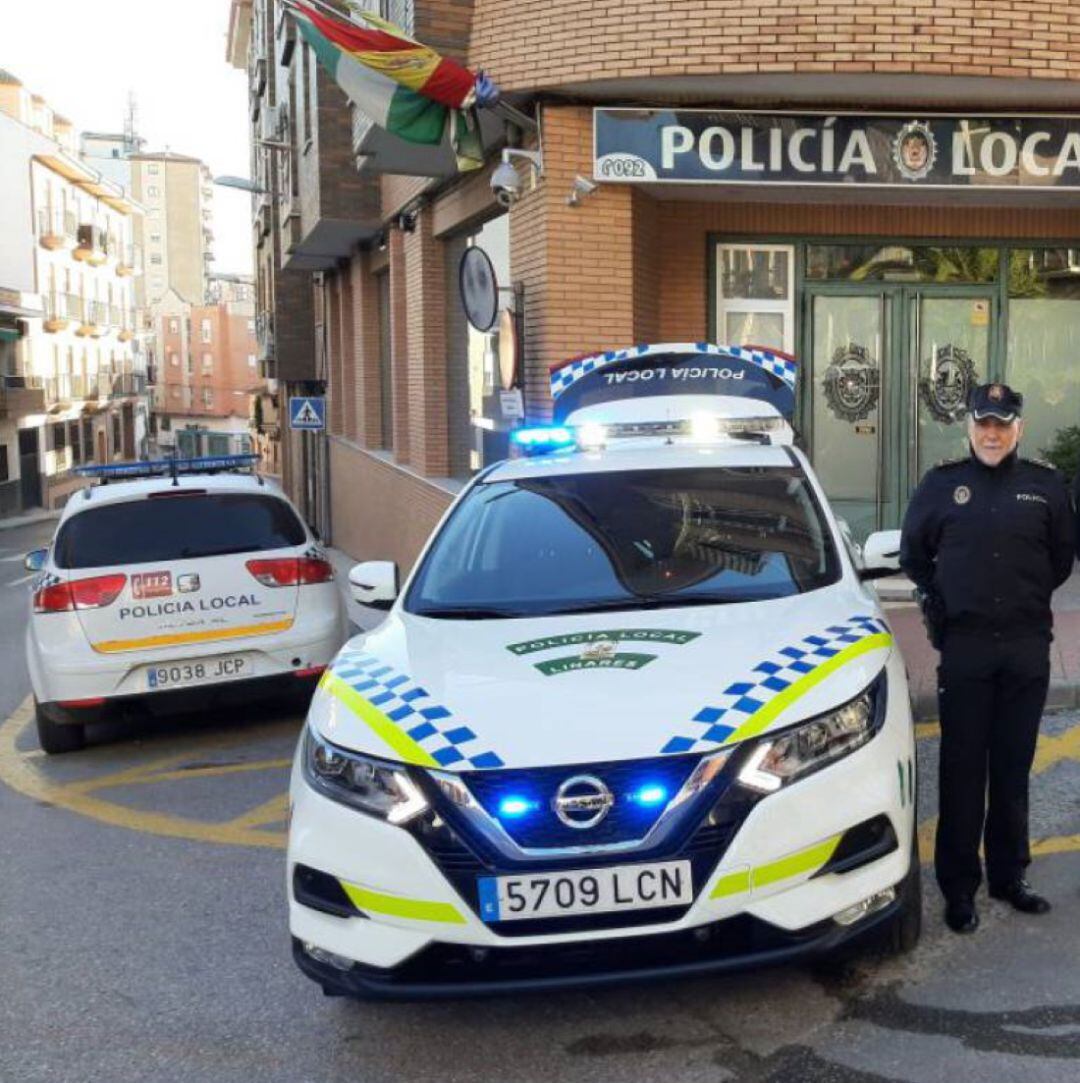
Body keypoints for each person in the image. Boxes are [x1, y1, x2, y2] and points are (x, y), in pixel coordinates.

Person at [899, 383, 1074, 933]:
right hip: (967, 646)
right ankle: (959, 887)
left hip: (1025, 645)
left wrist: (1022, 598)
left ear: (1018, 428)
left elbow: (1062, 560)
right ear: (969, 427)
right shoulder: (941, 484)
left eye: (1002, 424)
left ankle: (1008, 876)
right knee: (962, 768)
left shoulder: (1045, 486)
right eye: (983, 424)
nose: (992, 433)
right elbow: (913, 555)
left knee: (1013, 766)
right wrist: (941, 602)